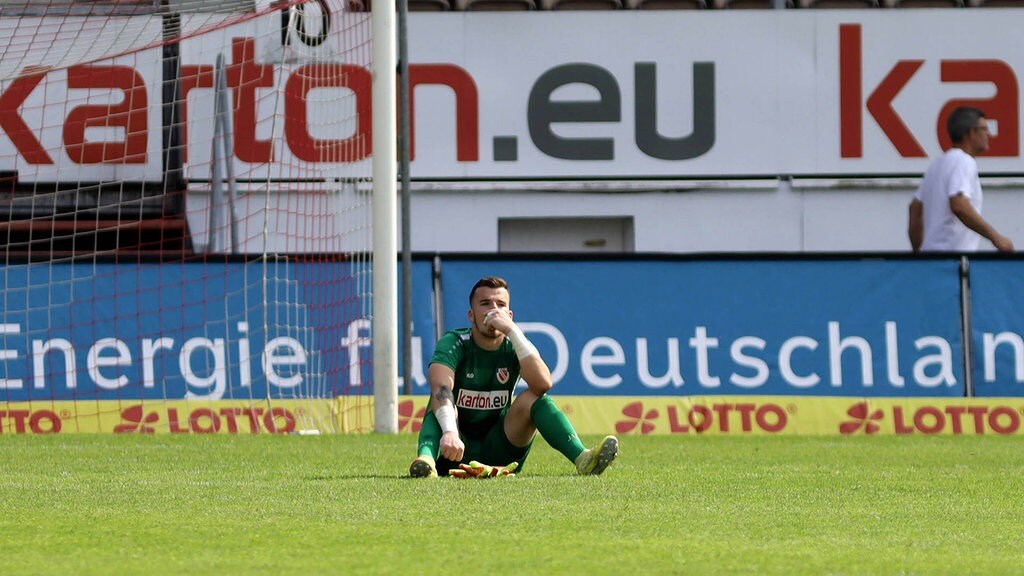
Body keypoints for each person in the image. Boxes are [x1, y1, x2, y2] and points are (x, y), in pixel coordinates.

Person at [409, 276, 618, 478]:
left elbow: (543, 384)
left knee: (534, 399)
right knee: (441, 397)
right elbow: (440, 386)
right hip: (454, 448)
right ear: (471, 315)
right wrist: (450, 433)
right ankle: (426, 461)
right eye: (485, 303)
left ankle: (583, 459)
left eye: (500, 304)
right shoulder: (455, 342)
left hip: (500, 448)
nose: (493, 309)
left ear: (509, 314)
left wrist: (513, 331)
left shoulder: (516, 345)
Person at [908, 106, 1013, 253]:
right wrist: (996, 237)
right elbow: (959, 205)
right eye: (984, 129)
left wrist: (918, 252)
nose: (988, 134)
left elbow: (914, 208)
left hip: (930, 261)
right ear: (971, 132)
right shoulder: (964, 161)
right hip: (952, 262)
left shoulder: (936, 164)